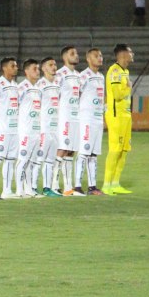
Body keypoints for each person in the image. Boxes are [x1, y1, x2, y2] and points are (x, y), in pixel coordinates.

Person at [103, 44, 135, 195]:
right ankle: (106, 184)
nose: (132, 54)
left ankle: (115, 183)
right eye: (130, 52)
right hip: (116, 116)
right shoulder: (114, 71)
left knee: (124, 150)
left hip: (126, 115)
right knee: (115, 150)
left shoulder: (125, 71)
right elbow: (117, 95)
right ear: (122, 55)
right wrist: (128, 87)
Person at [75, 47, 106, 195]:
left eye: (100, 55)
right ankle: (77, 186)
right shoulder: (83, 76)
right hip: (86, 119)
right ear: (88, 59)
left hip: (98, 119)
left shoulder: (101, 76)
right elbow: (76, 95)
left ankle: (92, 187)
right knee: (83, 152)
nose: (100, 58)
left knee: (93, 154)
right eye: (96, 56)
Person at [55, 45, 83, 196]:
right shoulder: (59, 75)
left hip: (76, 117)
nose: (76, 55)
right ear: (64, 57)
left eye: (77, 53)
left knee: (71, 151)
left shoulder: (79, 75)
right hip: (64, 117)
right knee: (62, 149)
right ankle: (53, 185)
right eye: (73, 53)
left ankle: (68, 187)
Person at [0, 57, 21, 199]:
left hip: (14, 130)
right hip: (2, 129)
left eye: (16, 65)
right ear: (4, 68)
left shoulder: (16, 86)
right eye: (13, 65)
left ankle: (7, 190)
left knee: (10, 160)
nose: (16, 67)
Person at [16, 59, 44, 198]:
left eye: (38, 69)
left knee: (32, 161)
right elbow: (14, 106)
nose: (37, 71)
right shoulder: (21, 88)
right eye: (34, 69)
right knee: (23, 159)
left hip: (36, 130)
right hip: (25, 130)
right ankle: (19, 190)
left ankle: (29, 189)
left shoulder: (38, 89)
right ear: (26, 71)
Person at [36, 56, 63, 197]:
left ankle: (47, 188)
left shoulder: (58, 85)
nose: (54, 67)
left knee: (50, 160)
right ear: (44, 68)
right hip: (43, 128)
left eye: (55, 64)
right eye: (50, 65)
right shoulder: (40, 85)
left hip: (55, 128)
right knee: (39, 158)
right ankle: (32, 188)